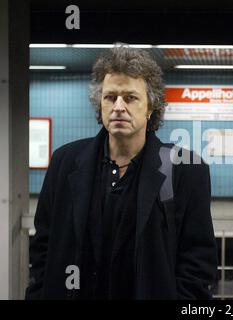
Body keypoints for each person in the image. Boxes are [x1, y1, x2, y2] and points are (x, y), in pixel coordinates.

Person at [25, 46, 218, 300]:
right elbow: (43, 248)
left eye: (130, 98)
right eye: (110, 97)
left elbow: (198, 262)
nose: (118, 107)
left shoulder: (186, 170)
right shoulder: (65, 162)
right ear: (100, 104)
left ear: (150, 106)